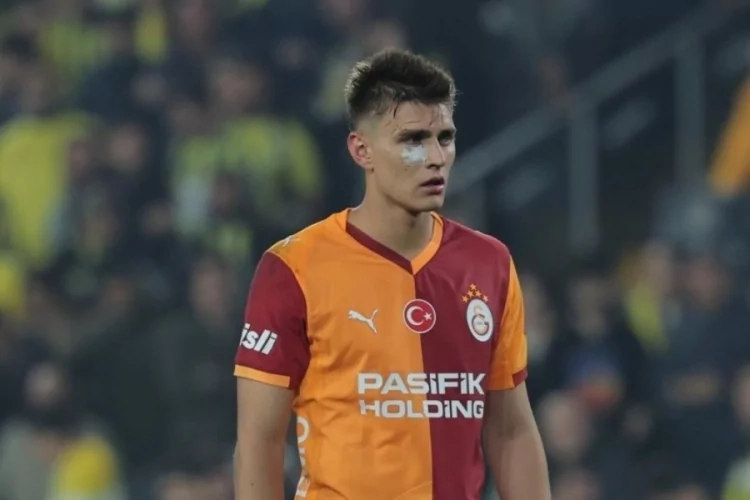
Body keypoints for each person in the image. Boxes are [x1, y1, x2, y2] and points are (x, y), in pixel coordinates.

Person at [234, 48, 550, 500]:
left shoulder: (489, 263)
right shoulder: (293, 267)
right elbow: (259, 442)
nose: (436, 157)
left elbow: (511, 430)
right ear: (361, 150)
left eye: (445, 137)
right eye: (413, 140)